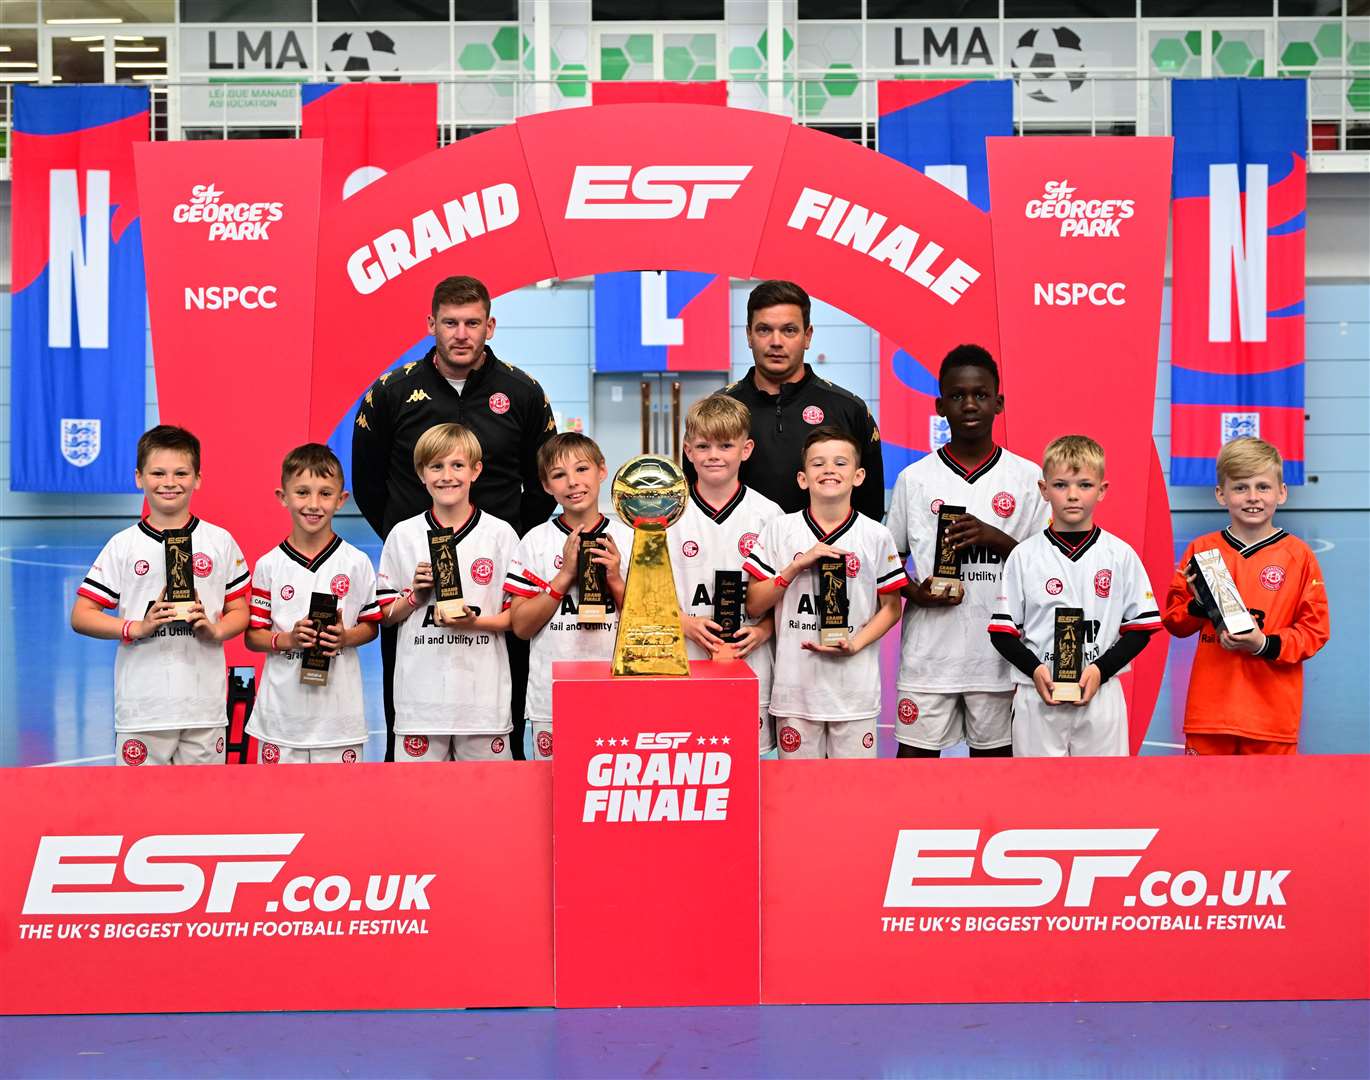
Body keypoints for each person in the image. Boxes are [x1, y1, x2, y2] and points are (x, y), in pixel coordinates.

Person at [352, 275, 556, 760]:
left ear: (490, 325)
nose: (460, 334)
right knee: (410, 704)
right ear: (431, 325)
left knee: (500, 699)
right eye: (449, 323)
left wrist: (509, 541)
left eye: (471, 323)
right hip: (415, 571)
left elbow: (542, 480)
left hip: (498, 571)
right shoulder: (392, 392)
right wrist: (406, 540)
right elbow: (367, 482)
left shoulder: (522, 391)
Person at [885, 345, 1049, 758]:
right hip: (929, 659)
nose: (970, 404)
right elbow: (889, 564)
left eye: (980, 394)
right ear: (941, 406)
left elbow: (1048, 568)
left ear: (999, 402)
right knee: (913, 772)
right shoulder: (915, 479)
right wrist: (914, 592)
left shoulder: (1028, 478)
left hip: (999, 661)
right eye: (957, 396)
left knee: (994, 775)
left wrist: (996, 538)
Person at [70, 425, 250, 766]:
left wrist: (216, 630)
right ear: (139, 478)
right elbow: (82, 615)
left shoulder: (219, 541)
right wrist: (135, 627)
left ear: (198, 478)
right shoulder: (123, 545)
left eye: (181, 473)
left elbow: (240, 609)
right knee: (140, 811)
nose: (170, 482)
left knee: (201, 807)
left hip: (204, 707)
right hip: (142, 708)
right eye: (158, 473)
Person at [988, 436, 1162, 757]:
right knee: (1036, 798)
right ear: (1043, 490)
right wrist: (1035, 669)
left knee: (1104, 796)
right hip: (1037, 694)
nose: (1072, 495)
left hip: (1101, 694)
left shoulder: (1119, 555)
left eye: (1084, 485)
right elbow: (1002, 633)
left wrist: (1101, 669)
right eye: (1060, 484)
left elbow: (1141, 628)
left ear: (1102, 490)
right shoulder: (1025, 556)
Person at [743, 426, 908, 759]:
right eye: (818, 464)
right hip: (795, 693)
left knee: (854, 798)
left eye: (840, 463)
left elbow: (891, 607)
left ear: (858, 476)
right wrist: (795, 567)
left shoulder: (875, 535)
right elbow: (755, 602)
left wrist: (856, 644)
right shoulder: (780, 530)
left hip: (854, 693)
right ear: (803, 479)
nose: (829, 469)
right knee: (797, 796)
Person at [1162, 437, 1330, 755]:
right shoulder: (1202, 551)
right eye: (1240, 488)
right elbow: (1175, 621)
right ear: (1220, 494)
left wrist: (1263, 644)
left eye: (1263, 487)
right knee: (1206, 803)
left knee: (1271, 805)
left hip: (1272, 717)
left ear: (1282, 492)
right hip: (1209, 715)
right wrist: (1199, 606)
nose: (1253, 497)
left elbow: (1315, 632)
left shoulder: (1299, 556)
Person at [378, 424, 520, 762]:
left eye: (457, 465)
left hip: (483, 702)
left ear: (476, 470)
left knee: (488, 804)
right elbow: (384, 615)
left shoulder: (500, 535)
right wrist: (414, 596)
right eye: (436, 466)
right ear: (421, 474)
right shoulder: (403, 535)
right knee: (419, 808)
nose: (447, 476)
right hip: (420, 702)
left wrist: (476, 623)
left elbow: (519, 617)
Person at [243, 444, 383, 764]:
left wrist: (345, 637)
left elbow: (371, 625)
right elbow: (253, 636)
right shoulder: (269, 565)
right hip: (281, 718)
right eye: (303, 492)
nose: (314, 504)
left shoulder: (356, 562)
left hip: (339, 720)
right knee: (280, 810)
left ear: (341, 500)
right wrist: (288, 640)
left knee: (340, 811)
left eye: (325, 493)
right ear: (283, 497)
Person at [703, 280, 883, 520]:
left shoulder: (848, 409)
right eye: (764, 329)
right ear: (749, 335)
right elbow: (697, 500)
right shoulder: (718, 409)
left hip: (825, 554)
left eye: (789, 330)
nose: (776, 341)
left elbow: (869, 509)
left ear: (807, 336)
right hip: (738, 555)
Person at [503, 433, 631, 761]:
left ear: (602, 471)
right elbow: (521, 626)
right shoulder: (535, 541)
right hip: (553, 695)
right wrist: (563, 577)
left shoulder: (630, 538)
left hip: (619, 689)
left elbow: (649, 625)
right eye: (559, 475)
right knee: (555, 793)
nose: (573, 482)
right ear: (546, 486)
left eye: (582, 469)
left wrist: (615, 579)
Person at [669, 396, 785, 754]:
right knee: (688, 759)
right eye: (703, 446)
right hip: (684, 658)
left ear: (746, 449)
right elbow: (645, 595)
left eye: (725, 445)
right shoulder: (668, 514)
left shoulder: (770, 516)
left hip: (749, 660)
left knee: (745, 761)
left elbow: (785, 595)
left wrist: (764, 630)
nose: (713, 455)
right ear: (687, 451)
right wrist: (683, 622)